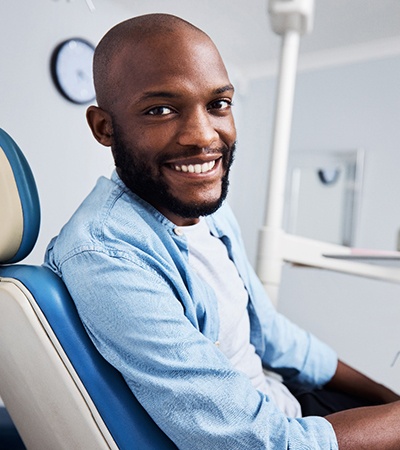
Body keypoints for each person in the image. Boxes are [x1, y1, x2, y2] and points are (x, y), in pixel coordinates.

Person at [44, 13, 400, 449]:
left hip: (290, 406)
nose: (202, 136)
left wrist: (387, 399)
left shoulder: (204, 208)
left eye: (218, 104)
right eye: (160, 109)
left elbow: (271, 333)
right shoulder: (106, 255)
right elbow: (258, 443)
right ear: (105, 127)